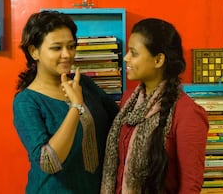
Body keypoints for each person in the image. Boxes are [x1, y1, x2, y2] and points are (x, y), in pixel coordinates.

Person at [13, 10, 119, 194]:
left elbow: (118, 123)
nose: (67, 54)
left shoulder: (84, 84)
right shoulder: (27, 102)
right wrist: (75, 106)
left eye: (71, 46)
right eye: (56, 48)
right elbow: (49, 162)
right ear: (34, 52)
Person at [101, 18, 209, 194]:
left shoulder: (187, 113)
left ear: (158, 60)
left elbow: (191, 186)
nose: (126, 58)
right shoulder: (130, 100)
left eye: (134, 53)